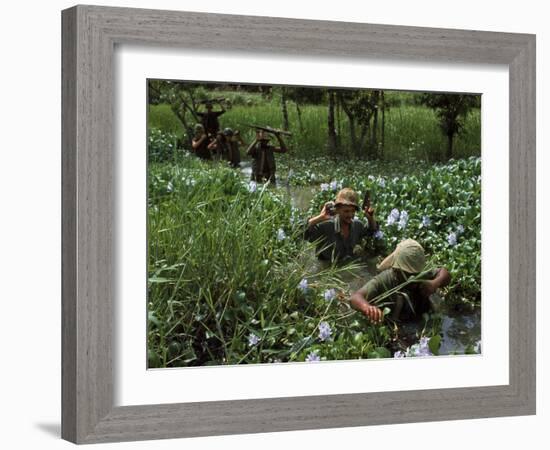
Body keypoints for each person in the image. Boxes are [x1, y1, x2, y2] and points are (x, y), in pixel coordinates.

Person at [349, 239, 451, 323]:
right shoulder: (385, 279)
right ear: (397, 270)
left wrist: (435, 283)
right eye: (408, 274)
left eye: (415, 274)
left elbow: (445, 273)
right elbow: (355, 298)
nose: (414, 278)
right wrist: (368, 308)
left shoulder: (421, 273)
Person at [304, 188, 378, 262]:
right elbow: (300, 233)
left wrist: (370, 218)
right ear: (337, 210)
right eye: (346, 211)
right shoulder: (326, 227)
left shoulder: (357, 225)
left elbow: (371, 231)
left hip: (346, 264)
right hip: (326, 267)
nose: (350, 215)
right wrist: (320, 217)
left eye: (353, 211)